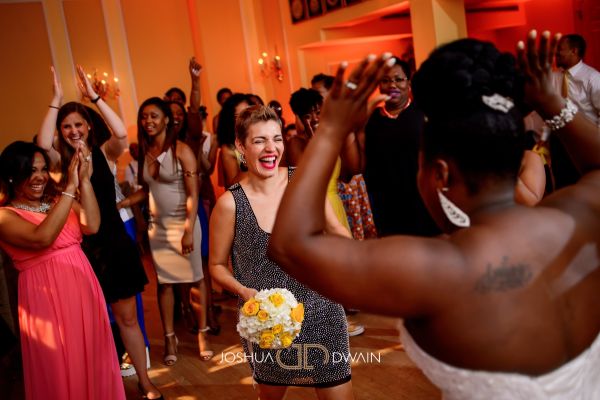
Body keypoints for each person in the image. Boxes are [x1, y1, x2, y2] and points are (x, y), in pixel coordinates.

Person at [269, 32, 600, 399]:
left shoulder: (436, 267)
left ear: (440, 173)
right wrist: (552, 102)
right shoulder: (579, 218)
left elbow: (289, 246)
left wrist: (331, 130)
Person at [209, 105, 353, 400]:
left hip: (322, 311)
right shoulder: (229, 204)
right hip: (269, 324)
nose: (270, 148)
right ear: (241, 146)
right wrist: (244, 292)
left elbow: (338, 232)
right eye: (259, 140)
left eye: (276, 139)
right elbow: (216, 266)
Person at [36, 66, 161, 399]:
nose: (73, 131)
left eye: (78, 124)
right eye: (67, 126)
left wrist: (94, 96)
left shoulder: (105, 153)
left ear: (88, 125)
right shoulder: (58, 161)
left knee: (127, 319)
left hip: (114, 244)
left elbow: (119, 131)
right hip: (80, 249)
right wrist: (56, 99)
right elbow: (43, 142)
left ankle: (145, 381)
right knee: (91, 325)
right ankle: (101, 386)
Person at [0, 141, 125, 400]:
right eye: (31, 170)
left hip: (82, 288)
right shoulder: (5, 216)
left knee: (91, 355)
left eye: (43, 169)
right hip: (45, 298)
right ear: (12, 175)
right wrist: (69, 188)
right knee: (58, 365)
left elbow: (92, 225)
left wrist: (83, 181)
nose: (40, 177)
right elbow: (42, 238)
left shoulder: (57, 201)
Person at [119, 97, 213, 363]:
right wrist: (124, 202)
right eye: (144, 116)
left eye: (154, 116)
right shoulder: (145, 151)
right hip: (157, 227)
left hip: (184, 223)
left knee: (196, 278)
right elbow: (148, 189)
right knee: (165, 283)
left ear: (167, 120)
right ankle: (170, 338)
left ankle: (203, 334)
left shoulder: (182, 150)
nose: (148, 121)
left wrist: (187, 230)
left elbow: (193, 194)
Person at [358, 57, 440, 237]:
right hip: (387, 209)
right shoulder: (371, 120)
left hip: (424, 205)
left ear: (408, 83)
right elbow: (362, 164)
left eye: (398, 79)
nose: (392, 85)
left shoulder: (424, 114)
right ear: (379, 86)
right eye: (385, 81)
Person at [555, 33, 600, 126]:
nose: (556, 52)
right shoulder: (554, 76)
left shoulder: (593, 78)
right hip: (560, 132)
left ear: (574, 51)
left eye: (560, 49)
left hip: (587, 132)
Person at [216, 93, 251, 188]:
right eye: (239, 116)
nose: (246, 119)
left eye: (248, 113)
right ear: (230, 120)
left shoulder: (265, 137)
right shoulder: (228, 149)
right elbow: (235, 187)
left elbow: (282, 169)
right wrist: (246, 161)